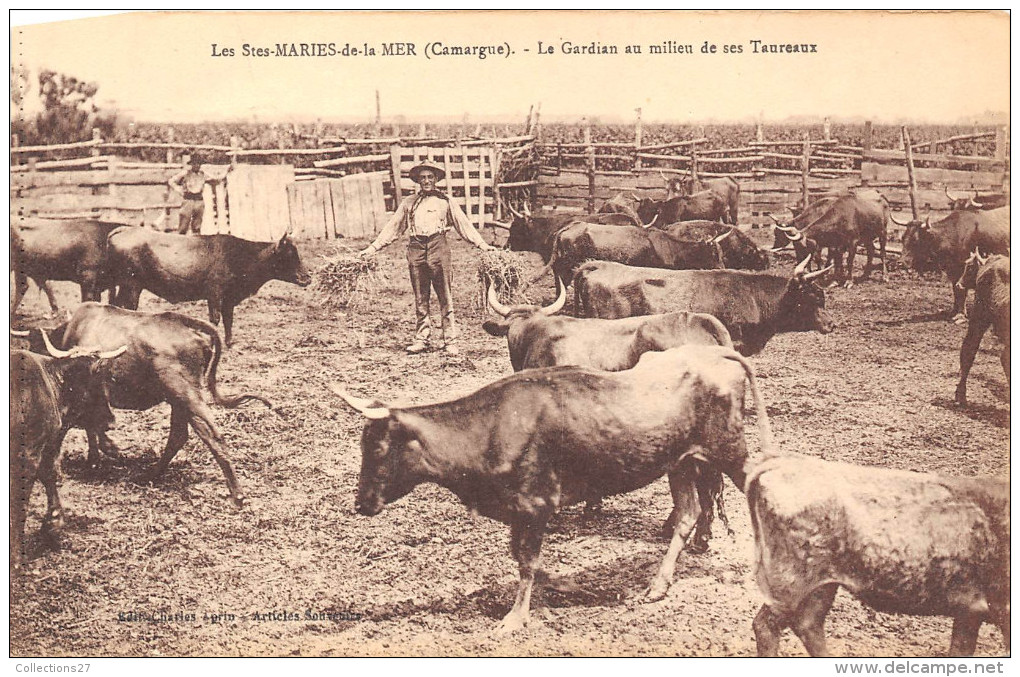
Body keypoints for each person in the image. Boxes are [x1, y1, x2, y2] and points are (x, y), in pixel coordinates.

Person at [360, 160, 495, 355]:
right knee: (420, 296)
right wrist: (373, 248)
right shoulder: (409, 203)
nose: (426, 181)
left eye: (430, 177)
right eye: (422, 178)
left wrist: (482, 244)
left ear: (436, 179)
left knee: (445, 295)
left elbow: (463, 225)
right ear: (417, 180)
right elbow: (393, 228)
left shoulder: (445, 201)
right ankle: (421, 339)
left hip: (438, 247)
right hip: (415, 248)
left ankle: (450, 341)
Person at [168, 154, 226, 235]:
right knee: (184, 224)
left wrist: (226, 172)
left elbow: (216, 179)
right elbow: (171, 181)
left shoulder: (203, 174)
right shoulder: (185, 173)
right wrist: (178, 189)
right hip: (188, 199)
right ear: (191, 164)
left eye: (199, 164)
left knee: (197, 225)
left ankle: (195, 243)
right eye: (195, 163)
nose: (197, 165)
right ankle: (182, 241)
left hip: (199, 200)